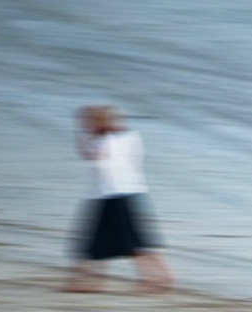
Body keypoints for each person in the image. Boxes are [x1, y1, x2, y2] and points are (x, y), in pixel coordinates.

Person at [62, 105, 174, 294]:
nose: (85, 125)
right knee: (103, 240)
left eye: (88, 122)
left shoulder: (107, 141)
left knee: (131, 241)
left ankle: (159, 277)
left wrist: (82, 135)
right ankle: (89, 280)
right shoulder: (130, 137)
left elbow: (94, 156)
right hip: (122, 193)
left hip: (115, 195)